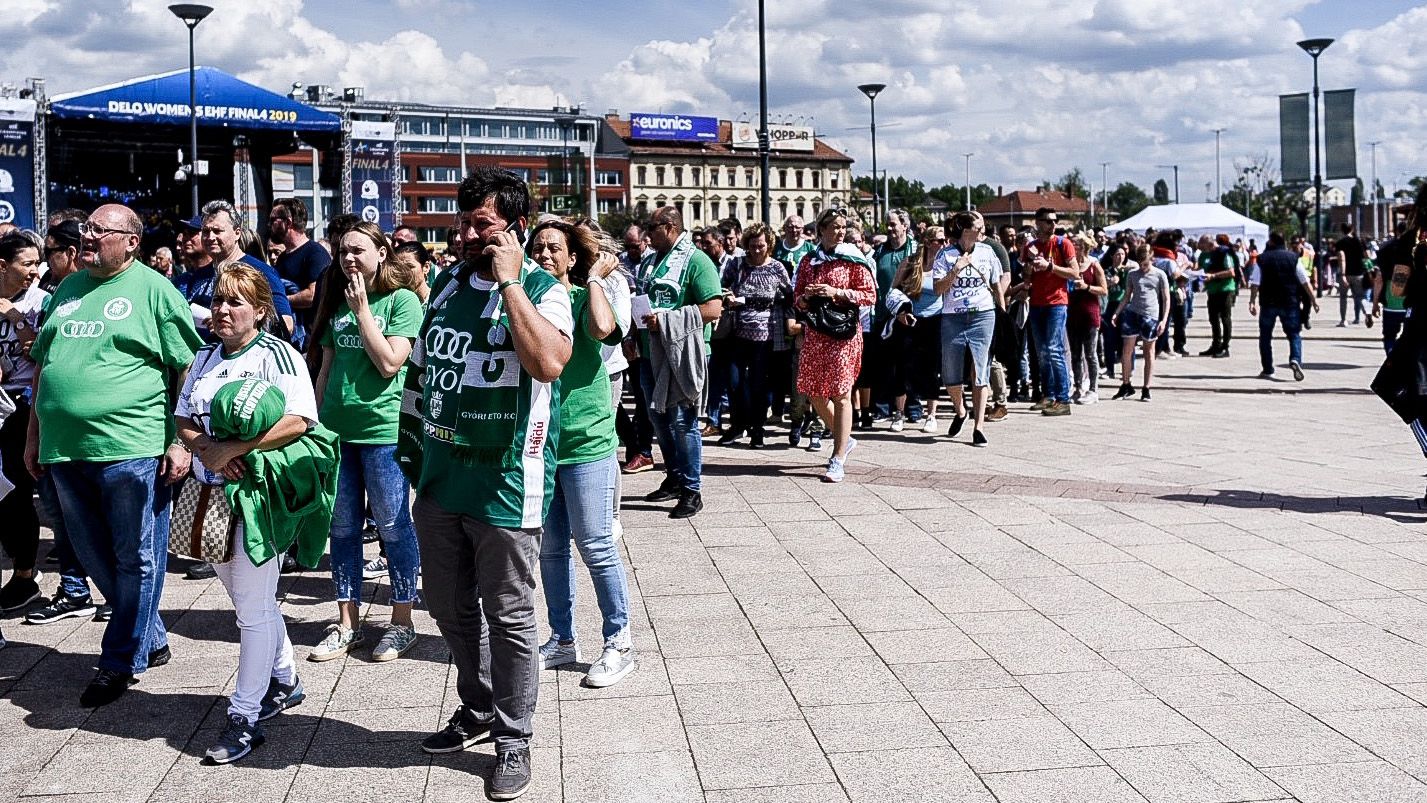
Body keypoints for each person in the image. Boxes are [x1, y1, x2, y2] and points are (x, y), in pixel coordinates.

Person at [399, 167, 572, 801]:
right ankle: (476, 707)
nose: (468, 234)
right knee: (445, 604)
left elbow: (548, 363)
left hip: (505, 482)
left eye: (484, 225)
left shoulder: (545, 289)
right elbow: (422, 368)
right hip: (442, 478)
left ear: (514, 230)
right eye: (464, 222)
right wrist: (411, 447)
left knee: (510, 616)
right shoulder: (444, 284)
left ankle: (514, 737)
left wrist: (510, 284)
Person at [25, 203, 204, 706]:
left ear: (131, 242)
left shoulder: (154, 289)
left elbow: (188, 370)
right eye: (86, 229)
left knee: (136, 557)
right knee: (89, 553)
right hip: (64, 449)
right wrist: (33, 437)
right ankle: (150, 635)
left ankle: (118, 659)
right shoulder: (68, 288)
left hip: (131, 448)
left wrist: (178, 439)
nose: (87, 237)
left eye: (99, 231)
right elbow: (45, 368)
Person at [174, 265, 332, 763]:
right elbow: (181, 416)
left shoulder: (278, 355)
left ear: (261, 311)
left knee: (253, 610)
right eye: (219, 300)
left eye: (236, 302)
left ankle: (244, 717)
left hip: (256, 496)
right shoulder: (202, 358)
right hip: (209, 496)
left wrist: (235, 448)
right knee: (249, 602)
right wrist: (208, 449)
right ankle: (285, 680)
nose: (223, 309)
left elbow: (301, 419)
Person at [306, 222, 426, 663]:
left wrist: (362, 312)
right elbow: (326, 367)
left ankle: (402, 620)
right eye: (342, 253)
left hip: (383, 434)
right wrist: (312, 425)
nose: (349, 259)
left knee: (394, 526)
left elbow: (390, 363)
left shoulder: (402, 301)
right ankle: (347, 622)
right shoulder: (337, 301)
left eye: (358, 250)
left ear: (383, 251)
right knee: (341, 530)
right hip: (337, 433)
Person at [525, 219, 636, 687]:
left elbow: (604, 328)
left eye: (556, 249)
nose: (546, 254)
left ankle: (619, 641)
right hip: (543, 445)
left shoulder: (581, 296)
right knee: (551, 551)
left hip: (588, 441)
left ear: (573, 257)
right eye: (539, 248)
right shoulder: (530, 305)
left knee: (596, 545)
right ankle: (562, 637)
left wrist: (593, 279)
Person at [637, 205, 723, 518]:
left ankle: (692, 489)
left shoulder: (697, 260)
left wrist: (668, 320)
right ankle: (674, 478)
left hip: (683, 354)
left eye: (652, 226)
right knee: (658, 419)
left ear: (670, 227)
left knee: (684, 424)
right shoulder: (650, 260)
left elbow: (713, 308)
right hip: (650, 353)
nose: (647, 233)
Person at [794, 208, 877, 482]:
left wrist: (836, 292)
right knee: (814, 392)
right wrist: (806, 298)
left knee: (842, 393)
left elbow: (870, 295)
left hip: (843, 334)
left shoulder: (853, 258)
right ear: (822, 230)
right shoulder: (809, 260)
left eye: (843, 227)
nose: (841, 232)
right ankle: (846, 437)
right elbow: (796, 298)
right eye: (835, 227)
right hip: (817, 333)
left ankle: (838, 456)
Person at [0, 233, 47, 612]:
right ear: (3, 266)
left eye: (37, 263)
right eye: (27, 264)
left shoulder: (39, 302)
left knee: (17, 491)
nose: (34, 271)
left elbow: (40, 351)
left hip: (25, 406)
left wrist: (14, 318)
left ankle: (25, 575)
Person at [931, 212, 1003, 446]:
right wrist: (956, 269)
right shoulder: (946, 254)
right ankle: (961, 411)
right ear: (965, 229)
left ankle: (979, 426)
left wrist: (1000, 312)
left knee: (980, 370)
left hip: (983, 315)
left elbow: (996, 285)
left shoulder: (988, 251)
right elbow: (938, 289)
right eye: (979, 226)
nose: (984, 230)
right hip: (953, 317)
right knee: (951, 373)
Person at [720, 223, 792, 448]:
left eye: (761, 246)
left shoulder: (777, 268)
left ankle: (757, 429)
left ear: (769, 245)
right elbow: (721, 289)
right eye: (752, 246)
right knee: (734, 382)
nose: (757, 250)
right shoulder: (738, 264)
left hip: (766, 335)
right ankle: (738, 424)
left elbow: (789, 295)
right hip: (737, 332)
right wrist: (728, 297)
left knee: (759, 385)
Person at [199, 200, 296, 338]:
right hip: (205, 356)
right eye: (206, 231)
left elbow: (286, 324)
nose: (210, 237)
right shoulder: (199, 275)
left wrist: (230, 327)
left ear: (237, 233)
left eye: (217, 231)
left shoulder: (259, 271)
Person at [1021, 208, 1078, 415]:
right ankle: (1049, 395)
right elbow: (1027, 274)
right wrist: (1030, 267)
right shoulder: (1031, 246)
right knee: (1041, 352)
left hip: (1057, 303)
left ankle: (1063, 399)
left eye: (1055, 220)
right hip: (1037, 302)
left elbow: (1074, 273)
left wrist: (1049, 266)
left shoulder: (1063, 244)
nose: (1052, 224)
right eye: (1047, 221)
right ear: (1038, 223)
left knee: (1054, 349)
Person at [888, 226, 945, 432]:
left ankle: (931, 414)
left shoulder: (945, 265)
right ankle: (899, 413)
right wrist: (900, 312)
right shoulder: (911, 263)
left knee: (932, 368)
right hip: (910, 319)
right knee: (903, 366)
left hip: (935, 320)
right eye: (940, 240)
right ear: (929, 242)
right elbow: (893, 291)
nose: (944, 243)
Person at [871, 210, 917, 429]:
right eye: (887, 225)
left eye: (893, 225)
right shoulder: (880, 251)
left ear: (904, 226)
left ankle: (913, 408)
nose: (889, 229)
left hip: (908, 316)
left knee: (909, 363)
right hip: (883, 314)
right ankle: (882, 408)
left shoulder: (915, 250)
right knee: (885, 364)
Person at [1249, 232, 1317, 380]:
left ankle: (1268, 369)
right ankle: (1295, 359)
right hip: (1289, 301)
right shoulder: (1293, 258)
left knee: (1265, 337)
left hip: (1268, 302)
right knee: (1294, 334)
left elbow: (1255, 283)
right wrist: (1313, 300)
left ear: (1271, 242)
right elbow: (1305, 281)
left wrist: (1252, 301)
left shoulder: (1261, 259)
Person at [270, 197, 331, 350]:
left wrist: (279, 301)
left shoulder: (315, 253)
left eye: (273, 220)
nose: (269, 225)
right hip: (288, 340)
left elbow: (313, 295)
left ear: (288, 222)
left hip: (308, 343)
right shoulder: (283, 256)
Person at [1111, 244, 1169, 402]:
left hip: (1150, 315)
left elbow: (1166, 299)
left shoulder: (1160, 274)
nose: (1143, 267)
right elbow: (1127, 295)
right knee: (1126, 350)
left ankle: (1146, 387)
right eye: (1141, 264)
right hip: (1132, 313)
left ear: (1152, 259)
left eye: (1146, 264)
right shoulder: (1132, 274)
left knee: (1149, 352)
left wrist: (1163, 321)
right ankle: (1126, 384)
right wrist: (1117, 313)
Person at [1067, 232, 1107, 404]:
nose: (1073, 247)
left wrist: (1086, 286)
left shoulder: (1094, 265)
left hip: (1090, 314)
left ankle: (1093, 389)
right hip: (1072, 314)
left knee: (1090, 354)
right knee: (1075, 354)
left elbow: (1104, 290)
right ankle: (1077, 387)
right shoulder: (1071, 266)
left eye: (1075, 244)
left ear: (1083, 247)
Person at [1198, 234, 1240, 358]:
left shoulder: (1224, 252)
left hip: (1225, 290)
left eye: (1203, 245)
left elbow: (1231, 272)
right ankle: (1216, 344)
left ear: (1210, 243)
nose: (1201, 248)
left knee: (1225, 318)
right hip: (1212, 290)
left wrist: (1213, 276)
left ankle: (1225, 347)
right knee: (1213, 319)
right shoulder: (1209, 254)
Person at [1374, 228, 1410, 354]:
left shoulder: (1386, 249)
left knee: (1389, 337)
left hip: (1391, 302)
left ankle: (1391, 358)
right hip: (1410, 304)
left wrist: (1375, 304)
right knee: (1411, 338)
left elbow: (1379, 279)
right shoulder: (1416, 248)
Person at [1100, 243, 1129, 383]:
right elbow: (1101, 284)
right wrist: (1109, 282)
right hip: (1109, 306)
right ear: (1111, 255)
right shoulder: (1106, 270)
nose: (1120, 257)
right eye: (1117, 254)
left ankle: (1127, 369)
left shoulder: (1128, 271)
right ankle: (1109, 368)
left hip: (1124, 305)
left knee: (1125, 338)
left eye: (1123, 254)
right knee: (1109, 338)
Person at [1336, 222, 1367, 326]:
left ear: (1342, 230)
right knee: (1358, 296)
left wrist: (1342, 274)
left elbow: (1341, 258)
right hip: (1359, 272)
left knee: (1343, 297)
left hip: (1346, 273)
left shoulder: (1340, 243)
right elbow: (1366, 256)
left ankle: (1343, 320)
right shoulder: (1359, 241)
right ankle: (1359, 317)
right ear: (1352, 229)